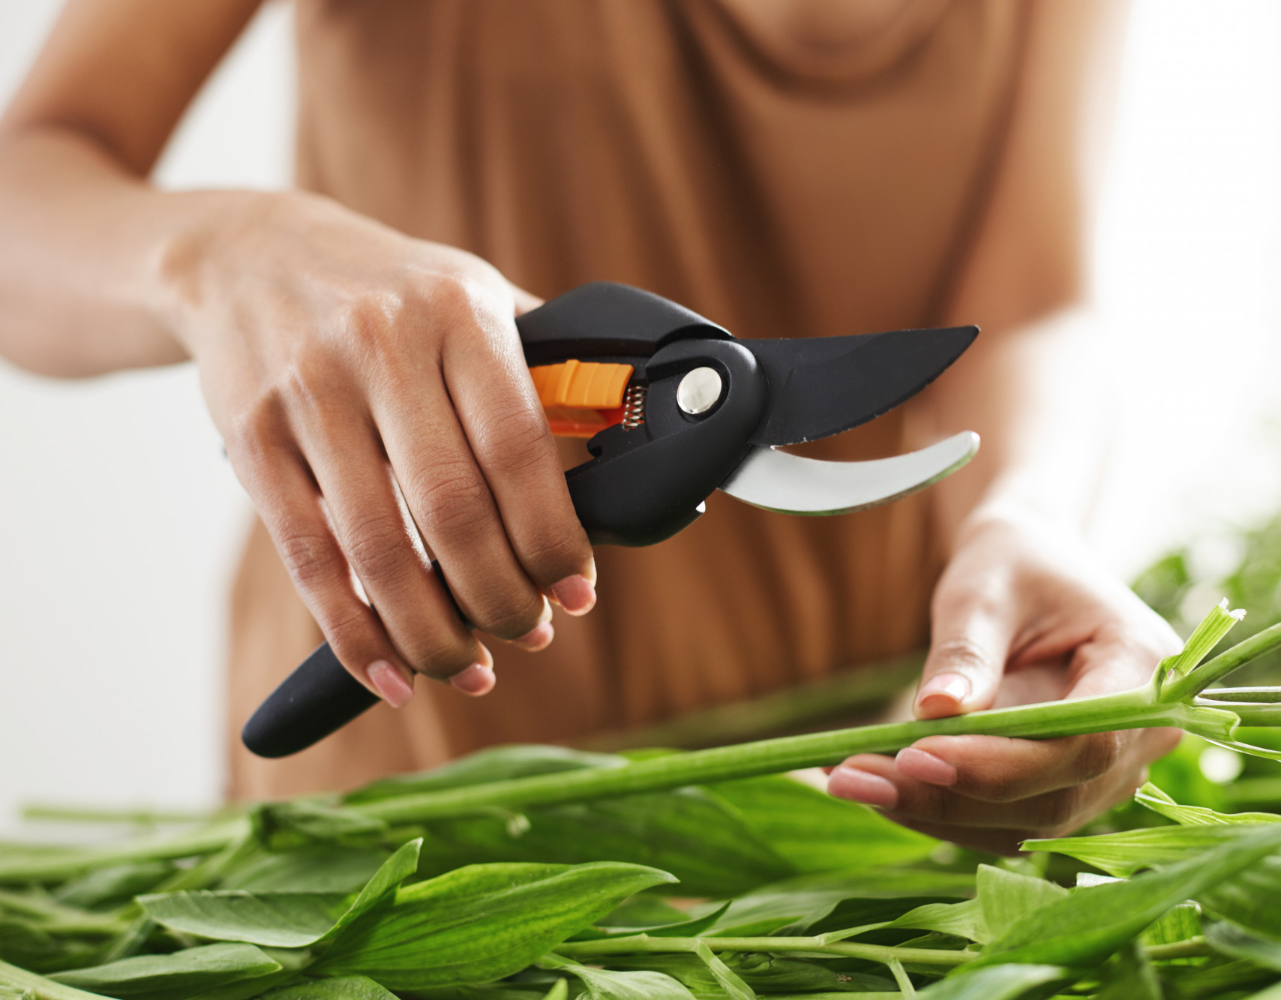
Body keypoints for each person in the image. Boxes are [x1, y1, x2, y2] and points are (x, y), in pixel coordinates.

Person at [0, 0, 1180, 852]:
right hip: (403, 817)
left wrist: (1025, 515)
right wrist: (220, 255)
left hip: (838, 809)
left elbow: (1028, 297)